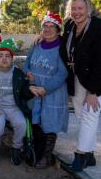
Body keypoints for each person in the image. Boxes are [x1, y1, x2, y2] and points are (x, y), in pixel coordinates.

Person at [60, 0, 101, 171]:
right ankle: (90, 155)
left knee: (89, 114)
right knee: (82, 116)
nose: (76, 12)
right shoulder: (69, 27)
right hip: (79, 78)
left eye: (80, 8)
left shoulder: (100, 30)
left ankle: (81, 155)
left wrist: (93, 92)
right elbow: (63, 47)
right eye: (73, 9)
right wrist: (42, 37)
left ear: (88, 10)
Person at [23, 12, 68, 169]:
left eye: (52, 27)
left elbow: (63, 73)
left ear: (58, 29)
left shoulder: (62, 48)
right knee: (36, 121)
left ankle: (47, 156)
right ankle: (36, 151)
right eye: (45, 26)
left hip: (52, 92)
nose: (48, 30)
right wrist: (27, 72)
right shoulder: (37, 44)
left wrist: (46, 88)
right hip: (35, 90)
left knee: (49, 123)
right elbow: (26, 63)